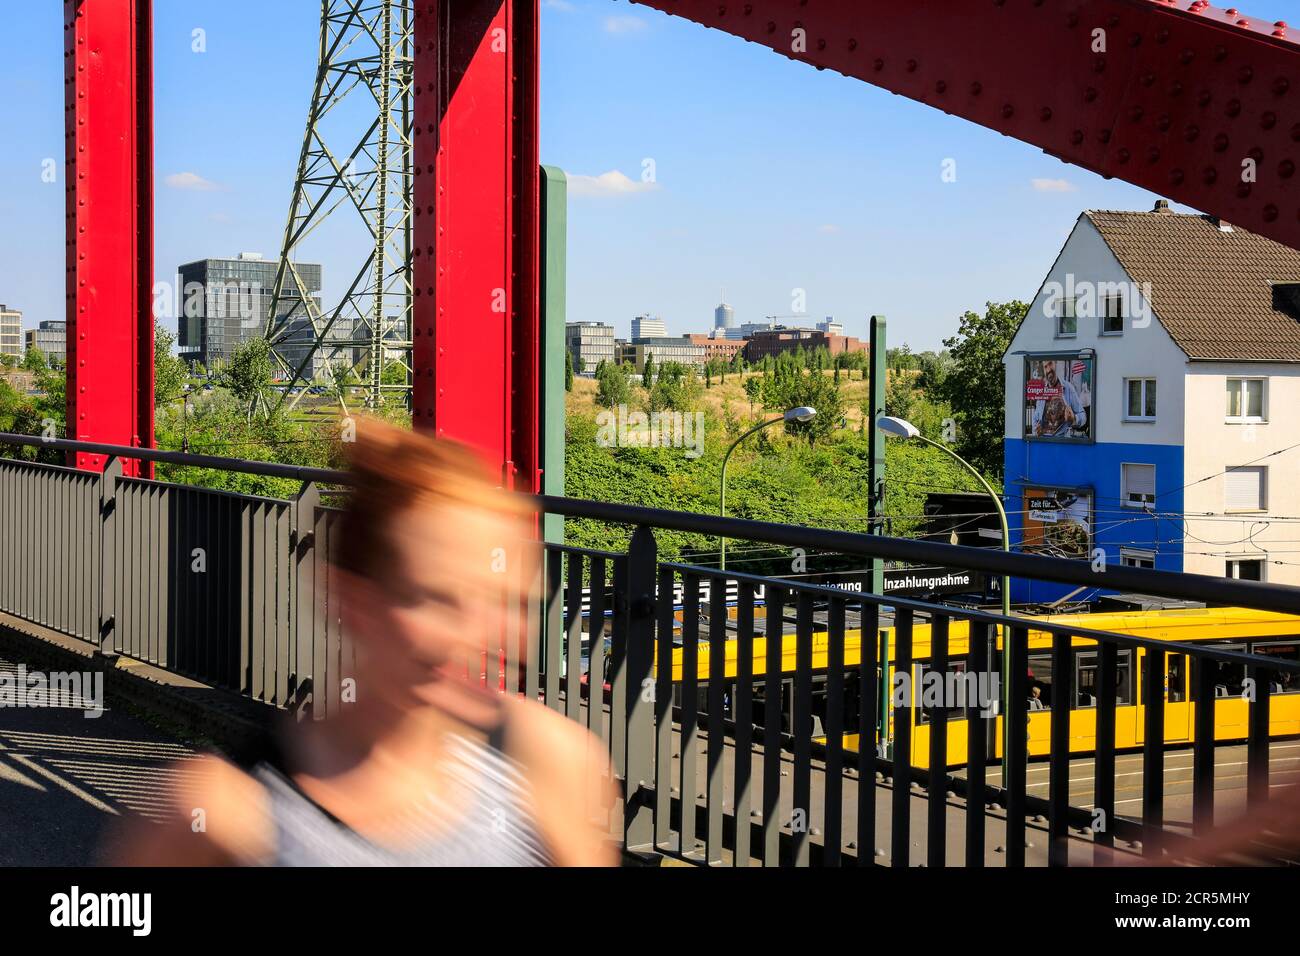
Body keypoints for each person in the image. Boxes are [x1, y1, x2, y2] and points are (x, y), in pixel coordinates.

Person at [112, 419, 618, 866]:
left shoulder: (552, 760)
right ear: (350, 601)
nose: (483, 633)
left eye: (505, 600)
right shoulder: (221, 817)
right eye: (438, 599)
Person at [1032, 362, 1087, 437]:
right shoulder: (1041, 391)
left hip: (1062, 443)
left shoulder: (1068, 388)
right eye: (1045, 367)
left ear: (1055, 364)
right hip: (1043, 443)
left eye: (1050, 363)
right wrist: (1036, 430)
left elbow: (1083, 416)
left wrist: (1073, 418)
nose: (1048, 370)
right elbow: (1035, 420)